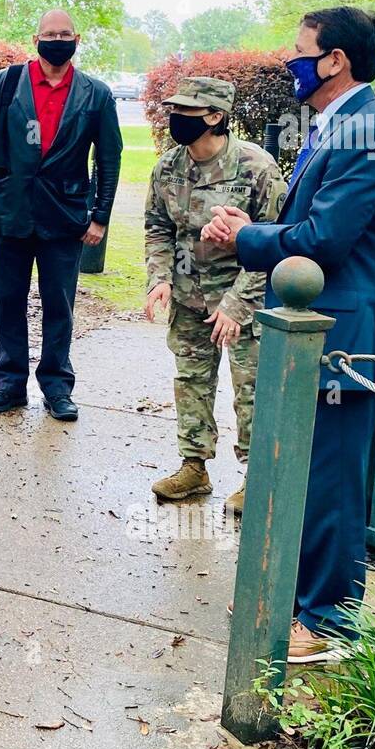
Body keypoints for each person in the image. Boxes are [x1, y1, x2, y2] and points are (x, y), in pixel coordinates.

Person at [202, 6, 375, 663]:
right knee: (304, 475)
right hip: (317, 336)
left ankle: (329, 624)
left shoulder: (367, 131)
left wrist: (245, 238)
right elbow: (312, 219)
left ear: (335, 60)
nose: (288, 58)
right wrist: (256, 225)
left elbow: (324, 242)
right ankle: (291, 598)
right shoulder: (339, 123)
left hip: (348, 343)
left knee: (331, 485)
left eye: (299, 50)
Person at [0, 9, 122, 421]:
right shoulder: (4, 85)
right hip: (10, 213)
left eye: (64, 34)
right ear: (35, 39)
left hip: (65, 217)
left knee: (60, 304)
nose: (57, 40)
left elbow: (108, 160)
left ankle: (57, 386)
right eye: (49, 34)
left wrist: (100, 215)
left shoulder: (96, 94)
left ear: (77, 38)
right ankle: (9, 383)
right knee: (8, 301)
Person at [144, 77, 285, 511]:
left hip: (243, 298)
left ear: (215, 117)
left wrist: (237, 305)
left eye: (186, 112)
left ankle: (256, 477)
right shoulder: (168, 167)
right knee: (191, 381)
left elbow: (275, 245)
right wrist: (160, 278)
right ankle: (193, 467)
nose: (175, 120)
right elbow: (158, 228)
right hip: (189, 296)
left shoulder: (256, 168)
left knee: (251, 389)